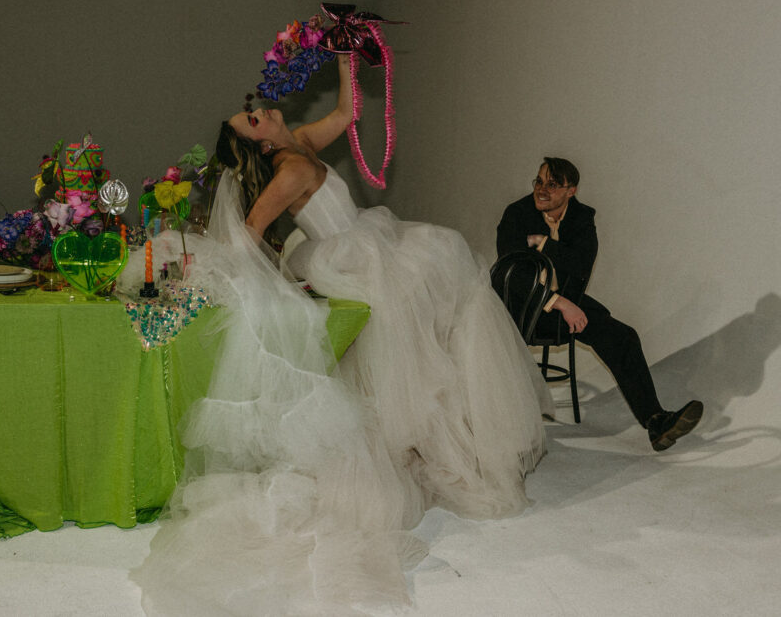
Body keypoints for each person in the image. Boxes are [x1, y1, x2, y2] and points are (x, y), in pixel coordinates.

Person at [132, 54, 554, 616]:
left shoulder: (302, 139)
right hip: (349, 254)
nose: (258, 113)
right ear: (260, 145)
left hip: (369, 240)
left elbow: (347, 112)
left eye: (251, 110)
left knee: (446, 282)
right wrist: (217, 272)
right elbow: (251, 232)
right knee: (422, 302)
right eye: (249, 121)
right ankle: (425, 435)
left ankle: (455, 430)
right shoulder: (288, 169)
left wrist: (346, 54)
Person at [496, 157, 703, 451]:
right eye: (539, 181)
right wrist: (558, 302)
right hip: (517, 307)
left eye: (552, 184)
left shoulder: (582, 217)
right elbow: (511, 272)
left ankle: (656, 421)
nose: (542, 190)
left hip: (565, 305)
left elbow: (581, 266)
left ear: (571, 190)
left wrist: (544, 243)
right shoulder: (516, 214)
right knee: (586, 315)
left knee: (622, 336)